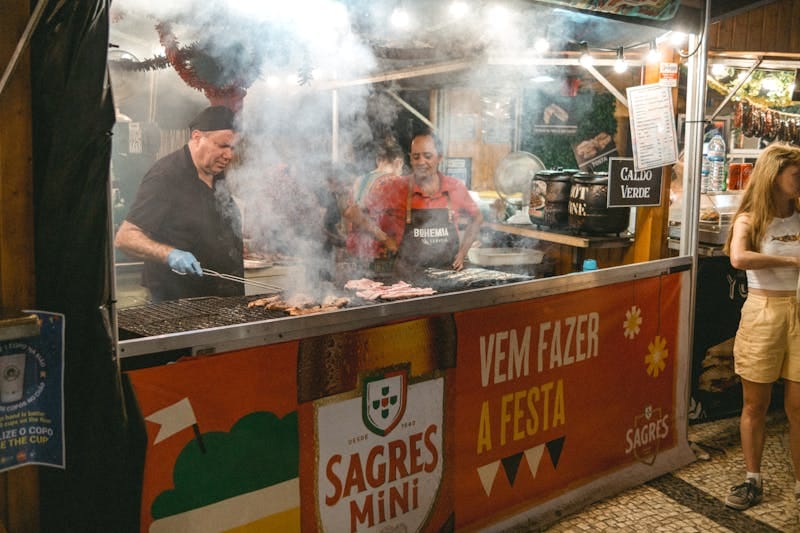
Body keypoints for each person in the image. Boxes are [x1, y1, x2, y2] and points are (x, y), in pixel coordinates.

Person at [723, 143, 800, 510]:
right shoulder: (751, 218)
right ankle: (752, 480)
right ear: (774, 176)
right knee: (755, 404)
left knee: (798, 406)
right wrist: (791, 262)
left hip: (799, 311)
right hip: (764, 310)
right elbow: (738, 257)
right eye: (796, 175)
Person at [114, 105, 245, 302]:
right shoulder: (166, 176)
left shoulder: (217, 174)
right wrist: (170, 254)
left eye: (233, 148)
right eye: (222, 146)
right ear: (197, 137)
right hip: (177, 298)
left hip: (223, 295)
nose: (229, 155)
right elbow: (125, 238)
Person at [363, 130, 483, 272]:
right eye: (416, 157)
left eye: (427, 156)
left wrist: (462, 253)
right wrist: (385, 239)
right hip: (407, 278)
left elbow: (477, 217)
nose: (421, 162)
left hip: (448, 274)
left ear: (440, 157)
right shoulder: (396, 187)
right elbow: (357, 213)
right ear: (411, 159)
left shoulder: (454, 187)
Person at [345, 138, 405, 262]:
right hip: (381, 254)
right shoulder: (393, 181)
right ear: (398, 162)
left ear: (378, 161)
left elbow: (350, 216)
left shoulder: (358, 180)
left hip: (357, 252)